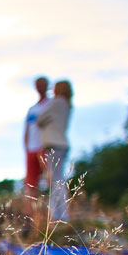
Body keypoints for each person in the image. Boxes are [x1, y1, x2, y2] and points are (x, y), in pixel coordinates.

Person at [37, 79, 73, 224]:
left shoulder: (55, 102)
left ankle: (57, 215)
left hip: (53, 144)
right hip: (62, 144)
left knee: (54, 181)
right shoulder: (68, 105)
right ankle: (61, 214)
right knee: (59, 180)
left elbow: (39, 119)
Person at [23, 76, 50, 202]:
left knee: (50, 179)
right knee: (31, 183)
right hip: (31, 148)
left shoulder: (50, 105)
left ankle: (54, 213)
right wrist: (26, 148)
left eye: (42, 84)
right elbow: (27, 130)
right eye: (37, 85)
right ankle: (31, 214)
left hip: (45, 146)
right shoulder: (32, 109)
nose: (40, 87)